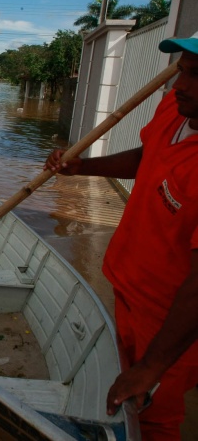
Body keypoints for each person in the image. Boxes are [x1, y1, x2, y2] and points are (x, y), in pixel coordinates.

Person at [44, 31, 198, 440]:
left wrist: (151, 368)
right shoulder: (175, 107)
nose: (180, 85)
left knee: (153, 416)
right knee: (122, 393)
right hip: (127, 284)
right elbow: (149, 158)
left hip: (171, 318)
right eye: (181, 71)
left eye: (196, 75)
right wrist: (84, 168)